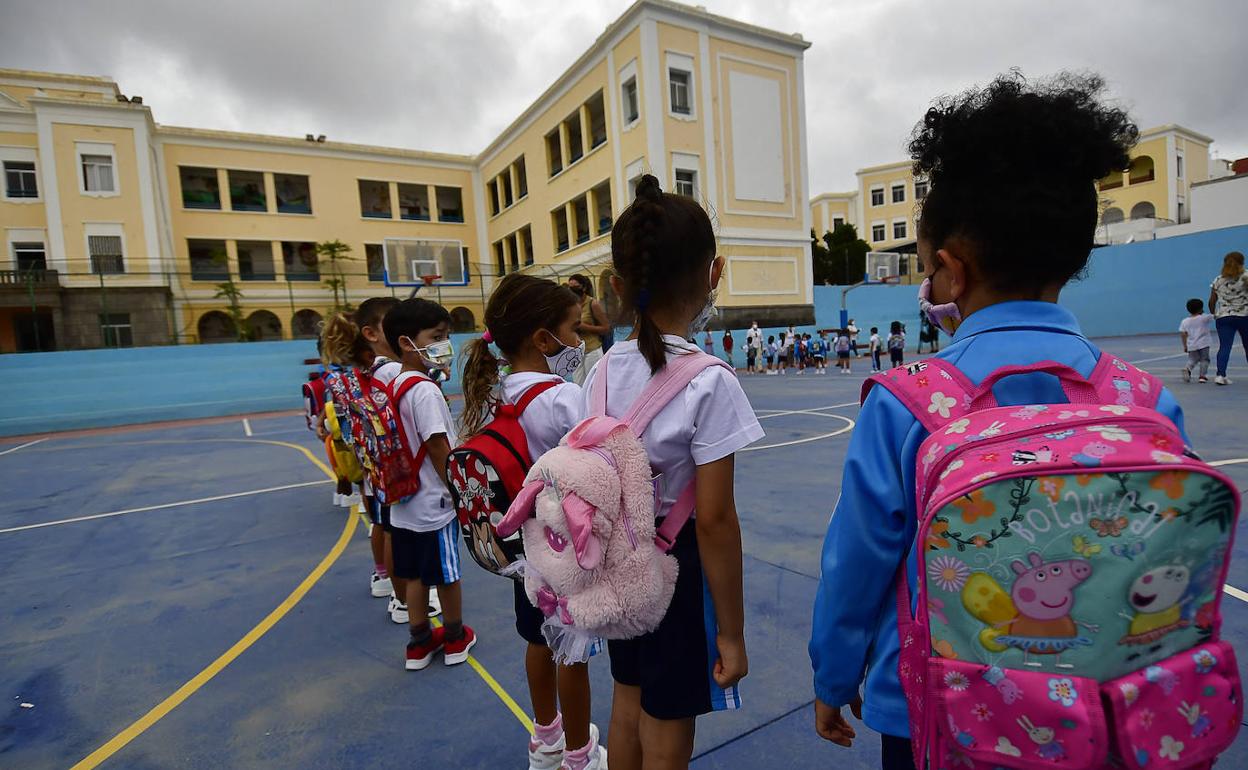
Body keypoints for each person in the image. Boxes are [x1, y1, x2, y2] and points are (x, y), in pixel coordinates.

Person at [809, 71, 1190, 770]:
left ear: (950, 272)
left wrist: (835, 676)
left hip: (942, 708)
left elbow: (855, 563)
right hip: (1105, 702)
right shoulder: (1144, 401)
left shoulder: (907, 402)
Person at [590, 174, 762, 769]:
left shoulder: (601, 369)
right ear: (715, 274)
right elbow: (714, 520)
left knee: (627, 699)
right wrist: (732, 633)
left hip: (617, 560)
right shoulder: (710, 382)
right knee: (669, 721)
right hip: (675, 570)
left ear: (617, 285)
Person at [458, 274, 605, 770]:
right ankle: (581, 756)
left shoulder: (499, 392)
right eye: (572, 328)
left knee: (537, 640)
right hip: (564, 549)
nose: (579, 336)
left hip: (525, 551)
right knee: (572, 652)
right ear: (544, 339)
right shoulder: (563, 398)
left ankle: (546, 740)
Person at [381, 298, 476, 671]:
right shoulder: (424, 390)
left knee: (416, 575)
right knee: (447, 575)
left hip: (403, 502)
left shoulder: (394, 383)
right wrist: (458, 492)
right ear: (407, 342)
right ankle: (454, 637)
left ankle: (419, 642)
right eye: (436, 337)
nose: (444, 346)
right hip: (434, 504)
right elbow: (438, 446)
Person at [1210, 251, 1248, 386]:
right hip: (1244, 316)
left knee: (1225, 347)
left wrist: (1214, 313)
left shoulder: (1218, 280)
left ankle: (1220, 375)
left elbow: (1212, 300)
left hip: (1224, 316)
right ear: (1242, 262)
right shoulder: (1246, 277)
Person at [568, 274, 609, 385]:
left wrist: (585, 327)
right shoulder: (570, 305)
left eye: (575, 286)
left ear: (584, 287)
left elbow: (606, 328)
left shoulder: (593, 303)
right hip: (576, 351)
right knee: (578, 385)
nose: (571, 289)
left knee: (594, 384)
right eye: (569, 286)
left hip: (592, 349)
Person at [1180, 297, 1215, 384]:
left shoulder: (1185, 321)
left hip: (1191, 344)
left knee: (1192, 359)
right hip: (1204, 344)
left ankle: (1187, 368)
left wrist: (1185, 346)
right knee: (1204, 359)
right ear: (1201, 308)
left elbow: (1183, 334)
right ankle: (1202, 376)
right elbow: (1214, 316)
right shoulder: (1204, 318)